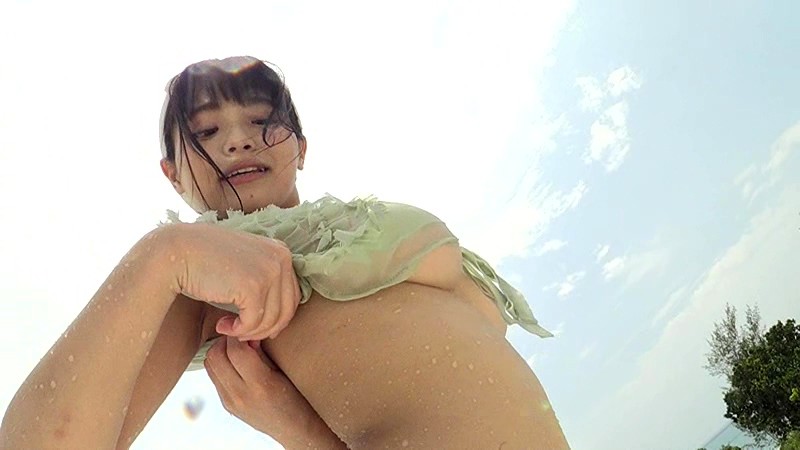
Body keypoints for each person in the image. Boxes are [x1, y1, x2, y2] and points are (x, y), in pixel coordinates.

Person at [0, 56, 570, 449]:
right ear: (172, 176)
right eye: (206, 131)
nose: (238, 139)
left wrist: (300, 432)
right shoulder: (205, 278)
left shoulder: (363, 218)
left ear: (301, 145)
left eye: (259, 120)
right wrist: (163, 254)